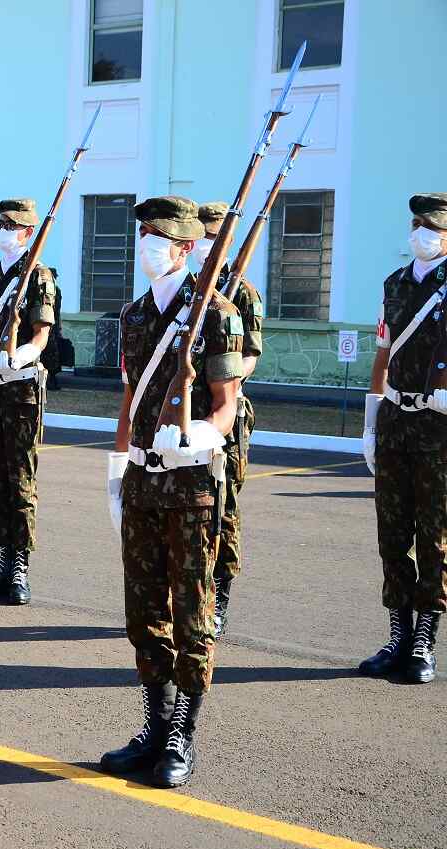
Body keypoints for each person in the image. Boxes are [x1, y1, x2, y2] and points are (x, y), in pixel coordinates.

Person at [101, 196, 243, 788]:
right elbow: (130, 399)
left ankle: (182, 731)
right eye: (143, 235)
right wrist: (116, 467)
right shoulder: (134, 315)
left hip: (189, 489)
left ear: (186, 248)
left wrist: (198, 438)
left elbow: (227, 405)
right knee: (145, 612)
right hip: (141, 483)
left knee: (191, 612)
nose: (147, 246)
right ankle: (154, 725)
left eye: (159, 237)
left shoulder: (217, 314)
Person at [359, 192, 447, 685]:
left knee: (434, 537)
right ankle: (398, 633)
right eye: (417, 225)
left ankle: (424, 641)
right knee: (393, 534)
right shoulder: (394, 283)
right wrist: (371, 422)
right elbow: (383, 353)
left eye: (432, 227)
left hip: (439, 430)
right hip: (395, 421)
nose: (422, 234)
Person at [0, 199, 58, 606]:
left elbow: (42, 335)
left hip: (21, 389)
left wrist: (22, 354)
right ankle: (3, 561)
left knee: (20, 480)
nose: (4, 230)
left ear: (28, 232)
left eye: (12, 225)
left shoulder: (38, 276)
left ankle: (20, 566)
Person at [191, 202, 264, 640]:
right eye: (199, 235)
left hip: (227, 414)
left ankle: (219, 597)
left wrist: (219, 371)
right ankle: (189, 591)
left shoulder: (243, 293)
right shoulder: (186, 288)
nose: (204, 243)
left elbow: (250, 356)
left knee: (223, 508)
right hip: (184, 410)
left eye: (212, 236)